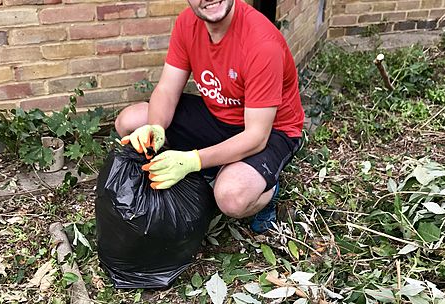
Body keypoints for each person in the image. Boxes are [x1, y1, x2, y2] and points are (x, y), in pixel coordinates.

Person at [114, 0, 304, 233]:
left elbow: (256, 137)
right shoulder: (188, 23)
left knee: (231, 196)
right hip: (219, 116)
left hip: (271, 129)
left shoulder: (262, 42)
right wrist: (156, 128)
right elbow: (166, 90)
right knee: (129, 122)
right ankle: (209, 169)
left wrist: (192, 161)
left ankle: (268, 190)